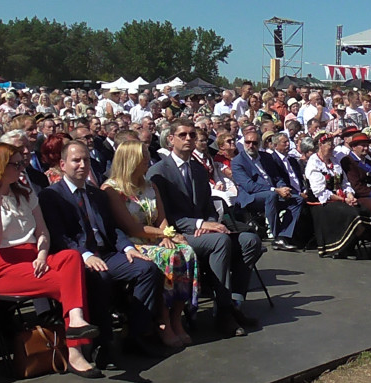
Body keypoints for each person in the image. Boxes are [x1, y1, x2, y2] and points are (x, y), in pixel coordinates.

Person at [0, 143, 103, 378]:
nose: (20, 168)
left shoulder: (26, 195)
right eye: (15, 164)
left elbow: (43, 233)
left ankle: (76, 322)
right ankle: (76, 350)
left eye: (21, 163)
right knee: (72, 282)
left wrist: (41, 254)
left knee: (70, 257)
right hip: (0, 266)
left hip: (33, 257)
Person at [39, 140, 165, 360]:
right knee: (100, 278)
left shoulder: (97, 194)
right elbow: (59, 237)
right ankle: (103, 343)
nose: (81, 165)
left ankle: (136, 334)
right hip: (78, 258)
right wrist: (85, 256)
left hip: (107, 253)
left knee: (148, 269)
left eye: (86, 160)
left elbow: (112, 229)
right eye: (75, 160)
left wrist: (127, 247)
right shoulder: (51, 196)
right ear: (62, 164)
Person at [146, 118, 262, 338]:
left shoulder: (198, 170)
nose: (189, 139)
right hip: (176, 234)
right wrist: (200, 224)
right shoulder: (160, 172)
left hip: (203, 231)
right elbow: (165, 216)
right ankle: (223, 313)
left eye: (192, 135)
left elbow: (208, 206)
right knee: (221, 242)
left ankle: (235, 302)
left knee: (250, 241)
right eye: (183, 135)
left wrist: (211, 223)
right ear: (171, 139)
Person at [101, 140, 197, 348]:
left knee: (186, 252)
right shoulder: (112, 190)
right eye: (143, 157)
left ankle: (176, 317)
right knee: (167, 257)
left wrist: (165, 236)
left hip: (155, 236)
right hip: (134, 242)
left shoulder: (150, 186)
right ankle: (163, 320)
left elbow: (161, 218)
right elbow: (131, 228)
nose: (148, 161)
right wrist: (163, 234)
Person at [231, 128, 305, 251]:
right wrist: (275, 190)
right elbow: (249, 186)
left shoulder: (266, 157)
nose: (251, 146)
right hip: (251, 197)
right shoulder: (238, 161)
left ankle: (284, 235)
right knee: (271, 196)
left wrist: (283, 188)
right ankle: (276, 237)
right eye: (248, 142)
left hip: (272, 192)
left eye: (254, 143)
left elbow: (276, 177)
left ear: (259, 144)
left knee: (297, 200)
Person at [303, 133, 371, 258]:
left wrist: (350, 195)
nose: (332, 148)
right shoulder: (314, 163)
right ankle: (339, 246)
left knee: (363, 210)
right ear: (320, 145)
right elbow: (320, 192)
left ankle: (350, 244)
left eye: (333, 145)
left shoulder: (335, 161)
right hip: (322, 203)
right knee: (352, 213)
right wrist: (343, 199)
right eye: (329, 145)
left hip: (340, 198)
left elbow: (345, 182)